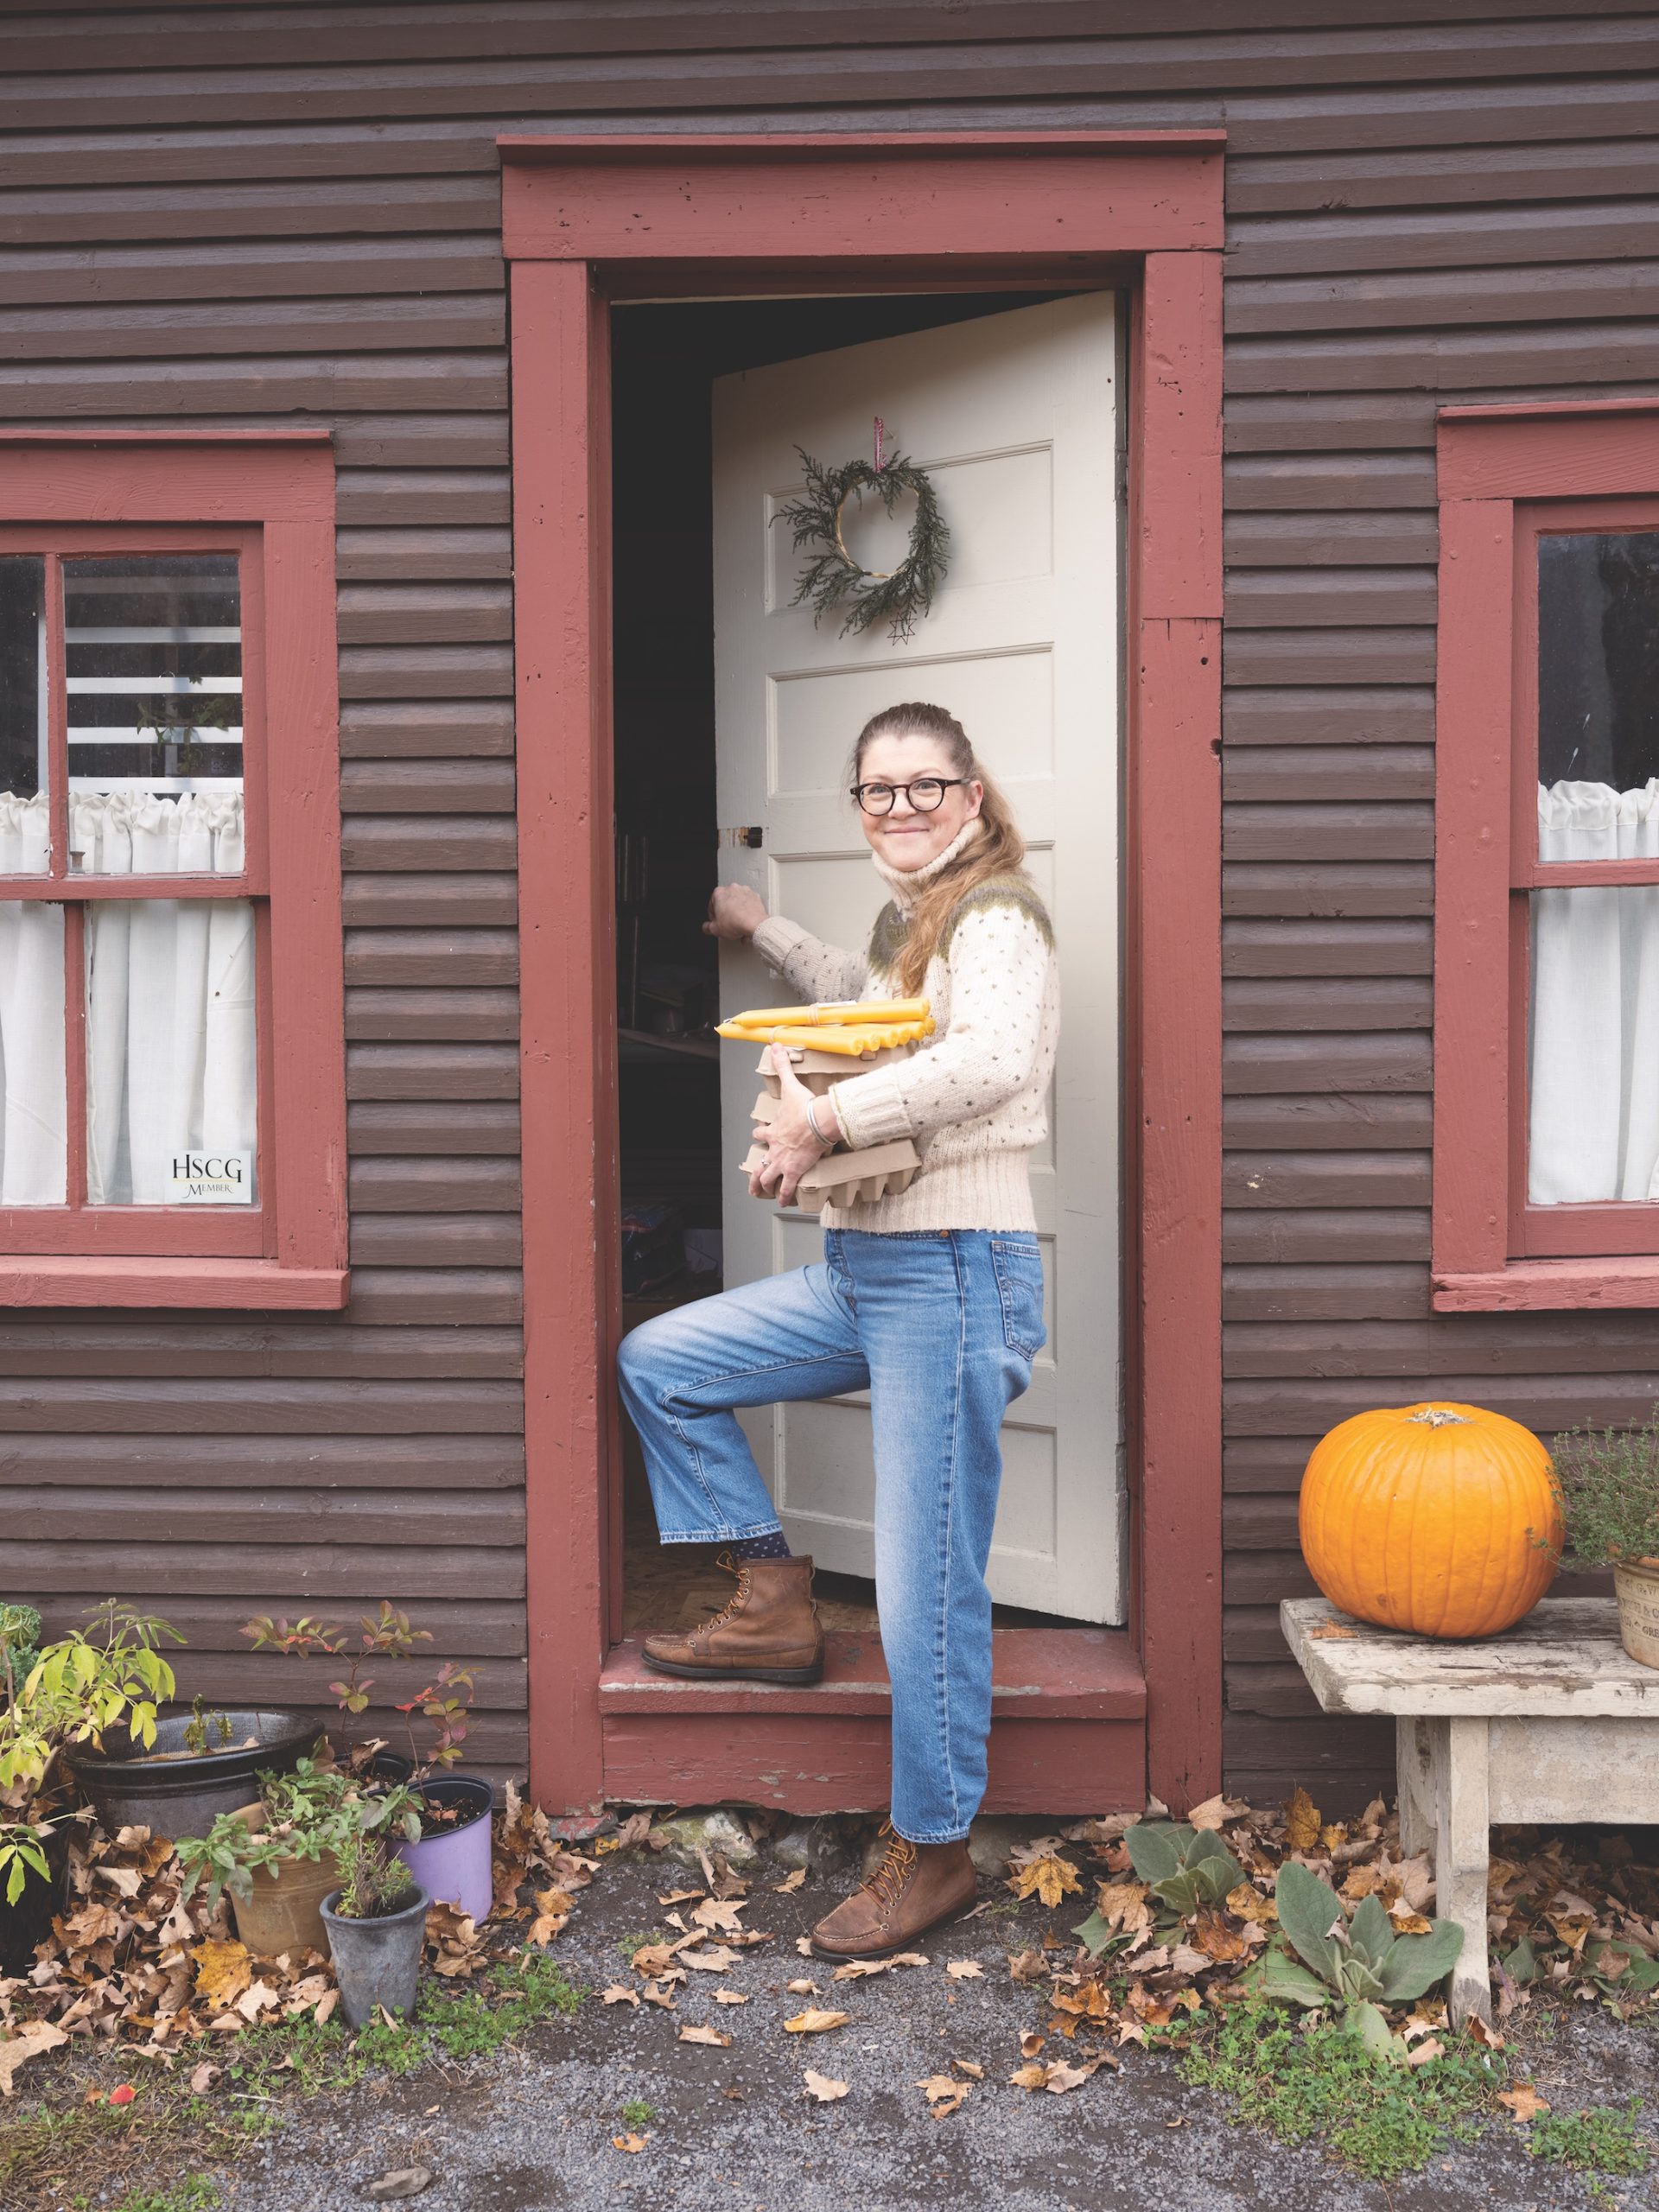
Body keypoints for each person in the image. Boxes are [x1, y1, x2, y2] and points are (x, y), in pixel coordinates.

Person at [617, 701, 1058, 1957]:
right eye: (879, 790)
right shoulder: (909, 921)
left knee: (924, 1588)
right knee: (665, 1361)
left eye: (927, 786)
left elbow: (989, 1062)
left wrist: (821, 1125)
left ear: (972, 798)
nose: (903, 807)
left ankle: (930, 1852)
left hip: (954, 1272)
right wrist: (766, 930)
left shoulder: (1000, 916)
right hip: (865, 1269)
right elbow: (864, 1008)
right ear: (860, 806)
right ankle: (770, 1599)